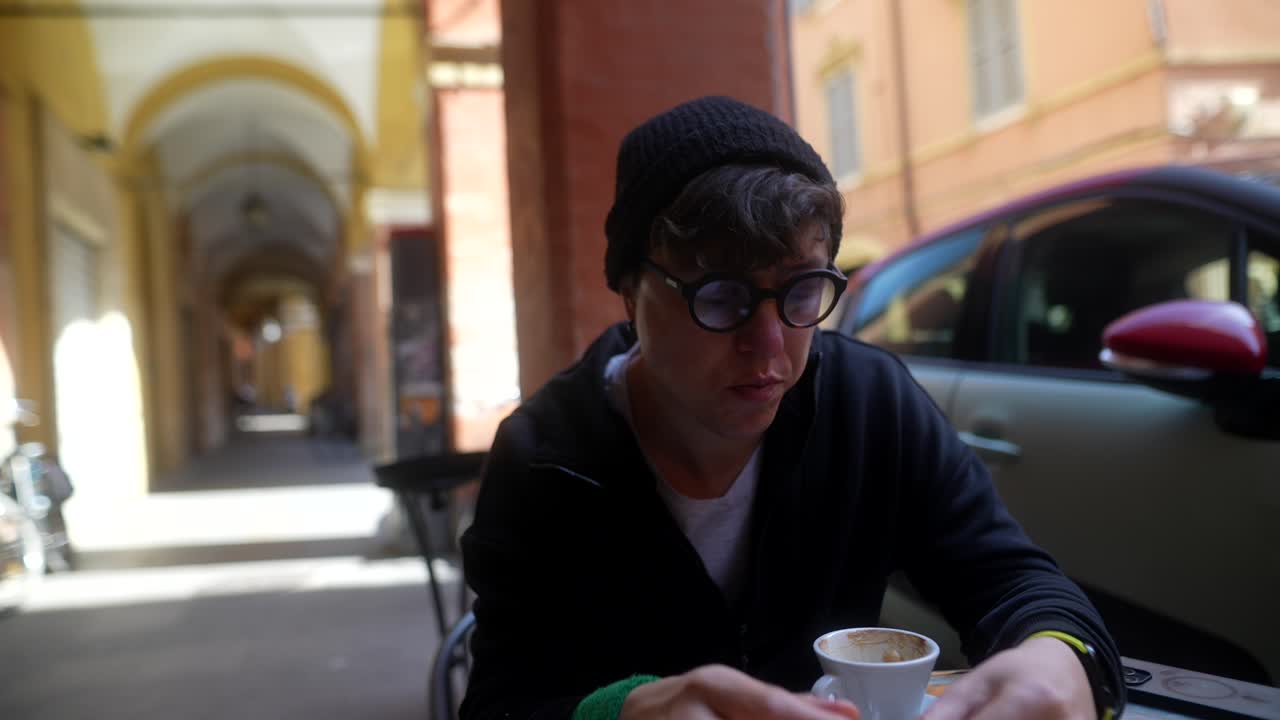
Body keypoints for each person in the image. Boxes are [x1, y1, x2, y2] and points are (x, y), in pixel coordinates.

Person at [460, 96, 1123, 720]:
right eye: (721, 296)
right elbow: (502, 700)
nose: (769, 346)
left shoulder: (868, 405)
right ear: (631, 293)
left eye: (803, 291)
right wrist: (624, 709)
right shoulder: (545, 459)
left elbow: (1011, 581)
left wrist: (1060, 659)